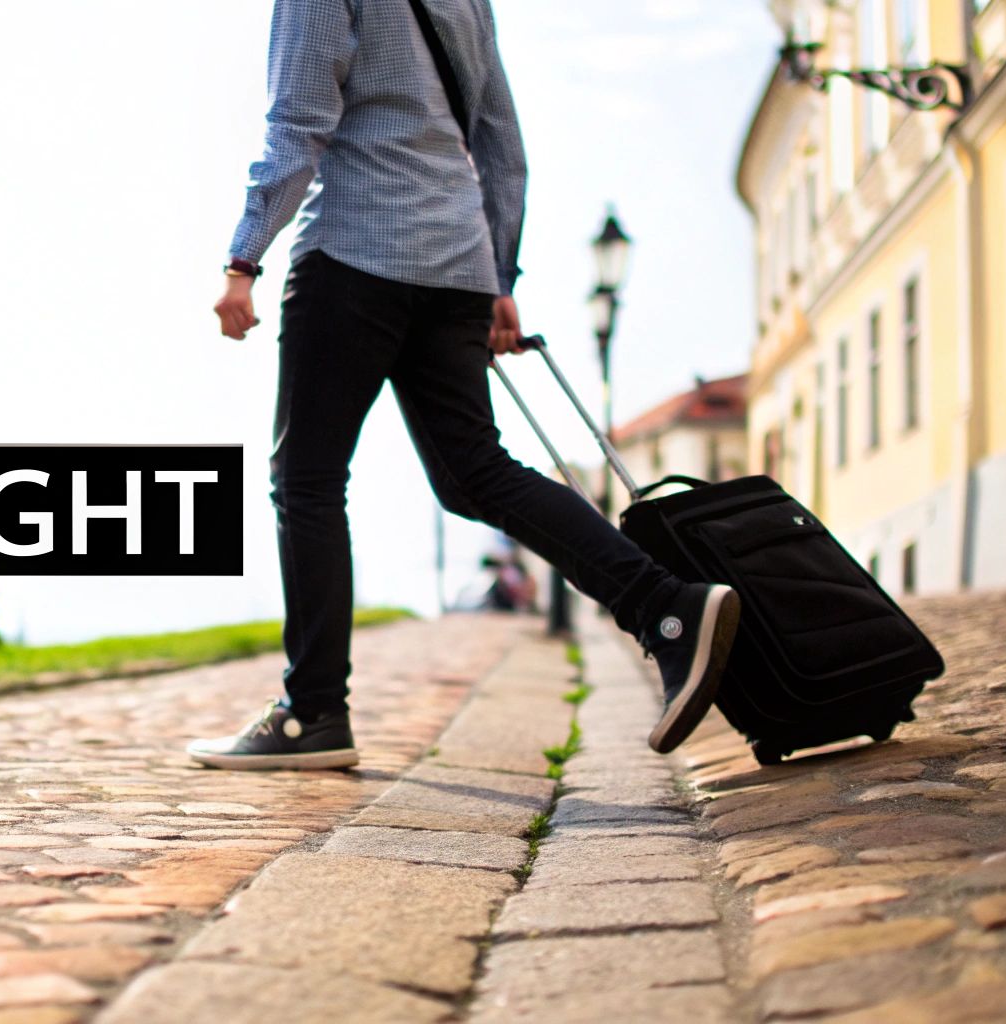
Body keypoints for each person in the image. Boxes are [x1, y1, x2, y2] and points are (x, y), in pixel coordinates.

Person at [188, 0, 740, 771]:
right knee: (473, 471)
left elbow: (300, 122)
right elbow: (502, 147)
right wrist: (498, 276)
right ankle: (667, 607)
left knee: (307, 482)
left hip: (354, 252)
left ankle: (312, 712)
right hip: (456, 268)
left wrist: (243, 257)